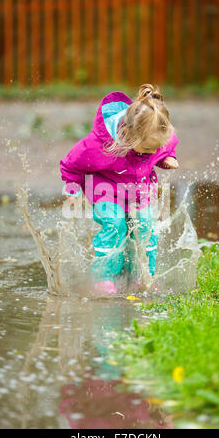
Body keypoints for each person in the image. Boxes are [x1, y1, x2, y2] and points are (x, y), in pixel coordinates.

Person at [60, 83, 179, 295]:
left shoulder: (156, 132)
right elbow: (71, 163)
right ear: (129, 135)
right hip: (105, 189)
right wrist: (72, 189)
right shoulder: (97, 146)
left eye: (156, 148)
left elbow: (167, 144)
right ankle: (104, 277)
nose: (153, 152)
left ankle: (142, 275)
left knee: (145, 226)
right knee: (115, 224)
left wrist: (168, 157)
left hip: (139, 188)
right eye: (148, 149)